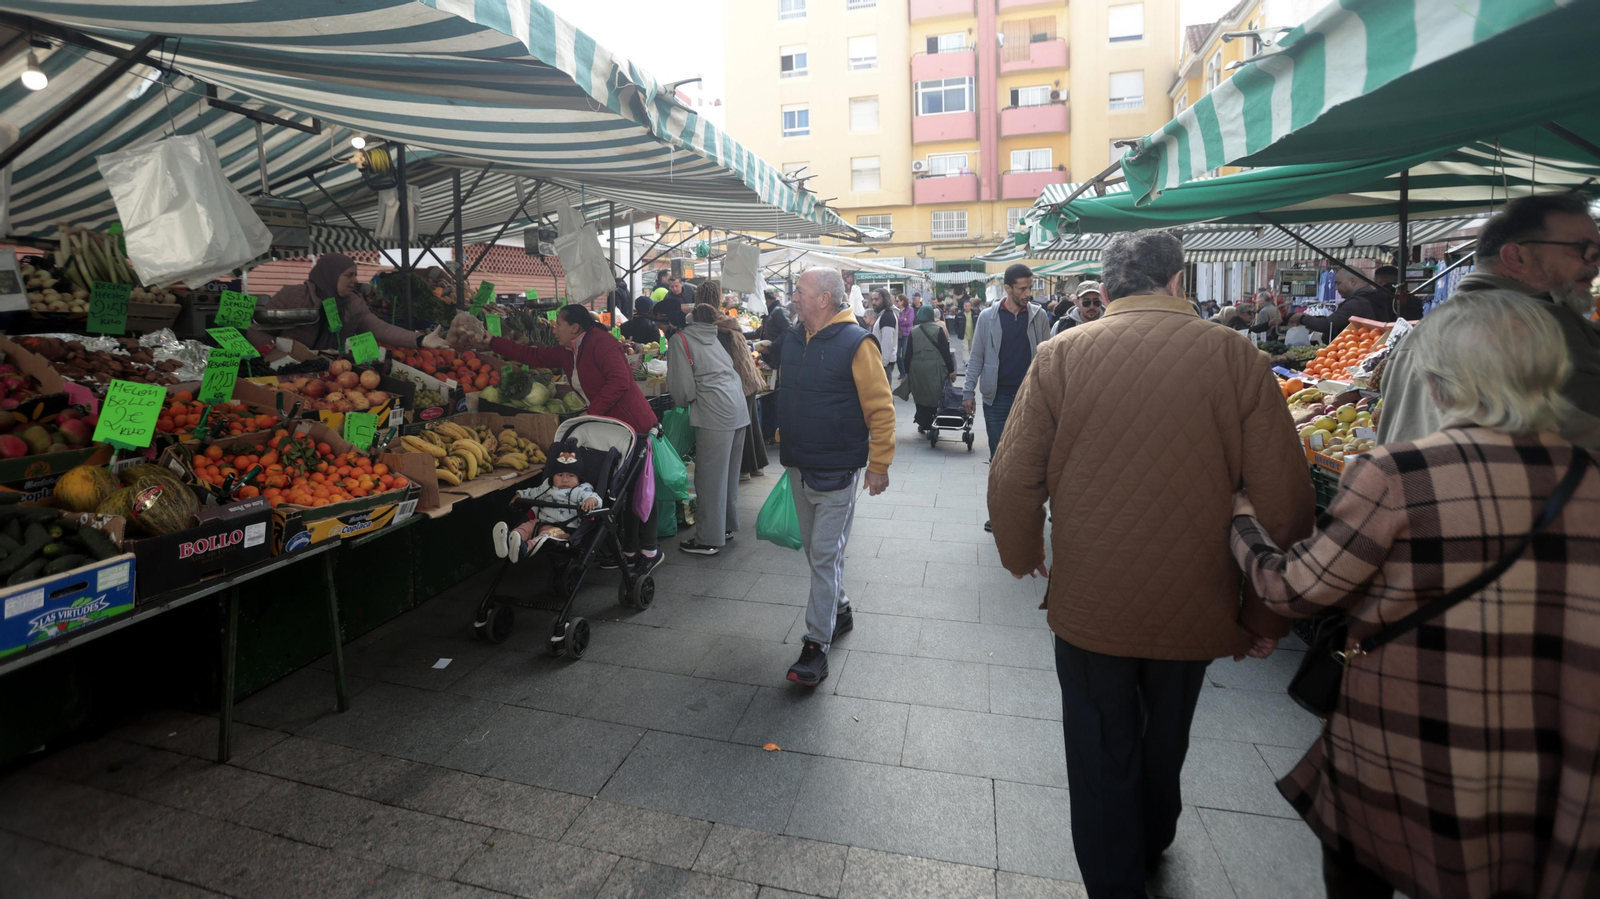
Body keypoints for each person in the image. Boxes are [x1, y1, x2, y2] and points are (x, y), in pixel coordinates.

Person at [1228, 291, 1600, 899]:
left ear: (1440, 378)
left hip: (1407, 738)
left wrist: (1242, 524)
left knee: (1365, 873)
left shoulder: (1399, 473)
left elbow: (1297, 589)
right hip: (1546, 753)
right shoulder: (1588, 476)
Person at [988, 230, 1315, 899]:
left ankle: (1113, 876)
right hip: (1198, 598)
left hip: (1090, 604)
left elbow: (1012, 477)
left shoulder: (1060, 355)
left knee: (1099, 735)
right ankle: (1156, 828)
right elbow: (1285, 500)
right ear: (1178, 282)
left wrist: (1023, 554)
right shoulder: (1236, 356)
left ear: (1105, 291)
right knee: (1168, 728)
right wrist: (1263, 615)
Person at [1380, 192, 1600, 450]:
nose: (1594, 263)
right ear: (1516, 257)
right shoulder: (1544, 326)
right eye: (1584, 250)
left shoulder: (1419, 334)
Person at [777, 268, 895, 686]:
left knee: (825, 556)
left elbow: (881, 408)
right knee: (814, 551)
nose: (793, 297)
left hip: (837, 471)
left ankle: (815, 646)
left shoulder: (857, 343)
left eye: (800, 291)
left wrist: (879, 464)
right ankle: (839, 608)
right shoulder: (794, 338)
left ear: (824, 299)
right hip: (797, 464)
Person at [488, 304, 662, 573]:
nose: (554, 328)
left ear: (575, 328)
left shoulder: (601, 343)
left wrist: (590, 415)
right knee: (618, 493)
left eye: (559, 323)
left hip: (633, 426)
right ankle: (627, 551)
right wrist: (490, 341)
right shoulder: (569, 350)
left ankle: (649, 551)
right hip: (606, 427)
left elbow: (619, 381)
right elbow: (532, 355)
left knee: (639, 489)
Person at [963, 263, 1052, 532]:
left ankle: (1026, 512)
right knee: (999, 457)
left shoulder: (1039, 317)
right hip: (997, 398)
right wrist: (968, 391)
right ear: (1008, 288)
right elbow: (976, 356)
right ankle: (1000, 512)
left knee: (1030, 458)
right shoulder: (988, 317)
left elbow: (1046, 358)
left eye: (1030, 287)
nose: (1028, 293)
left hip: (1030, 398)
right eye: (1022, 288)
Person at [665, 297, 750, 557]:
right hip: (737, 406)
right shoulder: (715, 335)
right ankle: (723, 527)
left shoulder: (680, 340)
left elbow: (682, 385)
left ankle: (708, 539)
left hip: (715, 410)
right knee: (727, 475)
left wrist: (682, 401)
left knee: (710, 478)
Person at [246, 253, 448, 351]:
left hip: (332, 372)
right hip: (286, 370)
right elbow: (257, 329)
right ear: (330, 275)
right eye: (348, 275)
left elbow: (380, 328)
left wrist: (420, 340)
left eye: (355, 275)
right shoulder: (293, 296)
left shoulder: (353, 303)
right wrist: (278, 353)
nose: (354, 281)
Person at [492, 439, 599, 561]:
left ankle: (525, 548)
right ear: (553, 476)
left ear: (579, 478)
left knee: (545, 536)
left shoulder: (581, 490)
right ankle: (508, 542)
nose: (564, 480)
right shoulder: (547, 487)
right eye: (559, 475)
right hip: (539, 522)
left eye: (570, 475)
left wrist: (591, 500)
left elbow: (595, 497)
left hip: (562, 529)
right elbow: (534, 492)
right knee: (524, 528)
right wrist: (521, 495)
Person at [1289, 265, 1420, 340]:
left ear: (1352, 281)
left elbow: (1327, 324)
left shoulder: (1357, 303)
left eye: (1338, 283)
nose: (1335, 288)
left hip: (1356, 353)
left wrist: (1302, 318)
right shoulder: (1372, 297)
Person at [895, 305, 955, 433]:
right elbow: (945, 351)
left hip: (917, 368)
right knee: (934, 395)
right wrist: (951, 369)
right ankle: (934, 420)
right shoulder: (938, 330)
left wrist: (907, 371)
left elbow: (907, 354)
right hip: (935, 367)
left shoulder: (914, 331)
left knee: (920, 394)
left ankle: (923, 422)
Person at [868, 288, 899, 383]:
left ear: (884, 299)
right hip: (883, 362)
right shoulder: (884, 315)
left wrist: (882, 365)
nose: (873, 302)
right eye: (872, 299)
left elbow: (887, 343)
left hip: (885, 363)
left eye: (876, 299)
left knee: (885, 394)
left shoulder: (887, 317)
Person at [942, 299, 969, 372]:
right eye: (966, 306)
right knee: (965, 348)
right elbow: (955, 323)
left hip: (973, 334)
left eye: (968, 306)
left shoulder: (974, 313)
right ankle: (967, 362)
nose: (967, 307)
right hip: (964, 334)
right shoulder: (960, 315)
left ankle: (970, 361)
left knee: (971, 348)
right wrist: (958, 331)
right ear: (963, 306)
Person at [896, 294, 915, 380]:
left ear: (902, 301)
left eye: (898, 301)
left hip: (906, 334)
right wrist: (903, 319)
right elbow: (895, 321)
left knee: (904, 355)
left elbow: (910, 322)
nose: (896, 303)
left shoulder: (910, 309)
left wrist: (900, 320)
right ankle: (902, 373)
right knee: (897, 355)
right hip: (898, 334)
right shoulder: (897, 310)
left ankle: (906, 373)